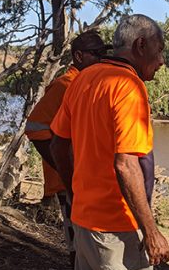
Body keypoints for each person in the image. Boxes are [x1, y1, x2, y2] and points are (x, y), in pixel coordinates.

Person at [50, 14, 169, 270]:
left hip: (84, 219)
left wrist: (74, 190)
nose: (162, 60)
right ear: (140, 46)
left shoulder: (84, 78)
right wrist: (149, 230)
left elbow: (57, 142)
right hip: (118, 226)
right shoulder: (128, 87)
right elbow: (126, 162)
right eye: (160, 50)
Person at [24, 30, 111, 256]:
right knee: (79, 245)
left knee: (91, 246)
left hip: (88, 182)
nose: (101, 58)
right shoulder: (65, 85)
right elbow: (35, 127)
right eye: (96, 53)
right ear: (79, 56)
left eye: (103, 53)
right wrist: (66, 170)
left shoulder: (87, 84)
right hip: (72, 184)